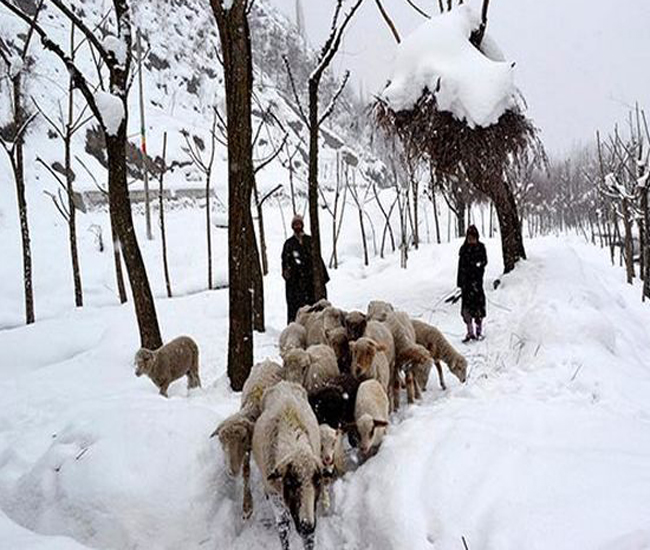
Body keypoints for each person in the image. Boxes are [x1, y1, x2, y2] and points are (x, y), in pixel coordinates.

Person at [282, 214, 329, 324]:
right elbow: (285, 261)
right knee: (296, 309)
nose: (297, 226)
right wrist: (287, 272)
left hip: (310, 281)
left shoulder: (310, 241)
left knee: (313, 308)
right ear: (292, 226)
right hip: (295, 284)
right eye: (295, 224)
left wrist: (322, 277)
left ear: (302, 225)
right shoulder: (289, 244)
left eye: (299, 224)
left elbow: (318, 259)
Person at [456, 225, 488, 342]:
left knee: (478, 309)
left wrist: (477, 266)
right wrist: (460, 282)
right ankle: (470, 332)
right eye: (469, 238)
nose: (471, 240)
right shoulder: (464, 250)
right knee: (466, 311)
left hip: (477, 284)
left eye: (473, 238)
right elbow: (460, 267)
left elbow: (484, 261)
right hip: (466, 285)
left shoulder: (481, 248)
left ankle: (478, 331)